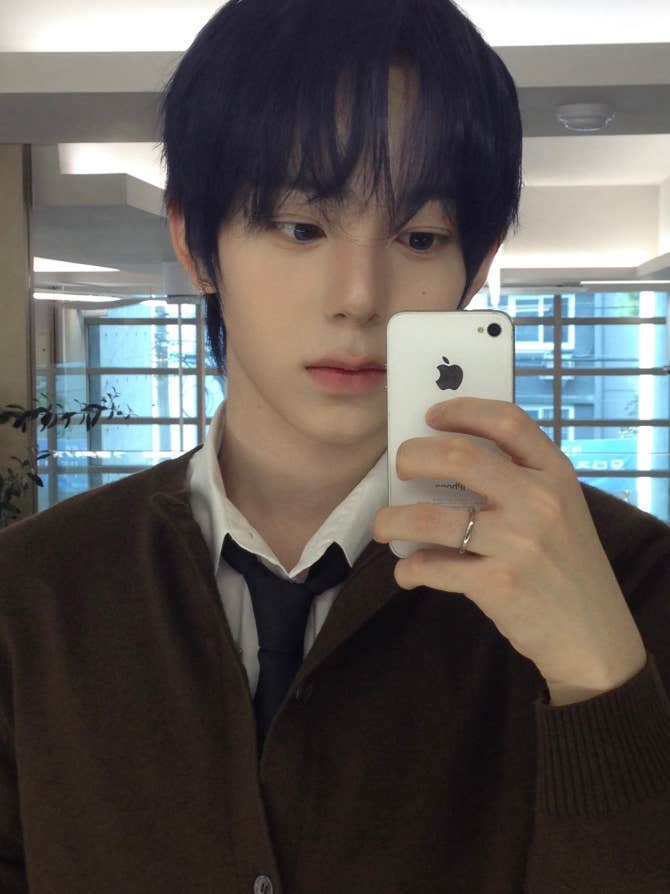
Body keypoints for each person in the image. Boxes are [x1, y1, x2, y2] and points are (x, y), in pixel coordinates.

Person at [1, 0, 669, 891]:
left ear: (476, 267)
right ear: (195, 242)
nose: (359, 296)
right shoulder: (32, 594)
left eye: (420, 237)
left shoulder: (630, 582)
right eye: (300, 227)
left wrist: (599, 682)